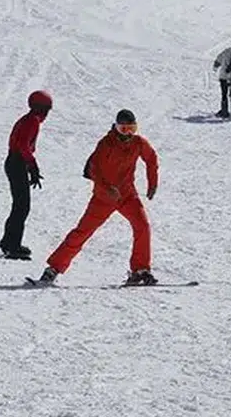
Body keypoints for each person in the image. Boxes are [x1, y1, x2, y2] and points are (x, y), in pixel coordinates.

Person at [35, 109, 160, 287]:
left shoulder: (138, 143)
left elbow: (151, 158)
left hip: (127, 195)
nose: (129, 134)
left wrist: (152, 182)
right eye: (124, 129)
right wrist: (107, 189)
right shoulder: (106, 144)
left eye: (132, 128)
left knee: (143, 226)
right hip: (103, 198)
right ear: (116, 128)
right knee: (82, 232)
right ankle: (53, 268)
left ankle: (140, 270)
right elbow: (94, 170)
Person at [0, 91, 53, 260]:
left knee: (19, 205)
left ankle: (8, 242)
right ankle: (12, 246)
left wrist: (30, 166)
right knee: (22, 206)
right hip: (17, 163)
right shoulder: (32, 121)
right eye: (46, 109)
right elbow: (23, 145)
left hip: (15, 162)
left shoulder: (28, 119)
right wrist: (33, 166)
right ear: (40, 109)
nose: (47, 113)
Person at [212, 44, 231, 118]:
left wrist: (215, 67)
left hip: (223, 76)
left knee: (224, 94)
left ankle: (224, 111)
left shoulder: (225, 51)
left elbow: (218, 60)